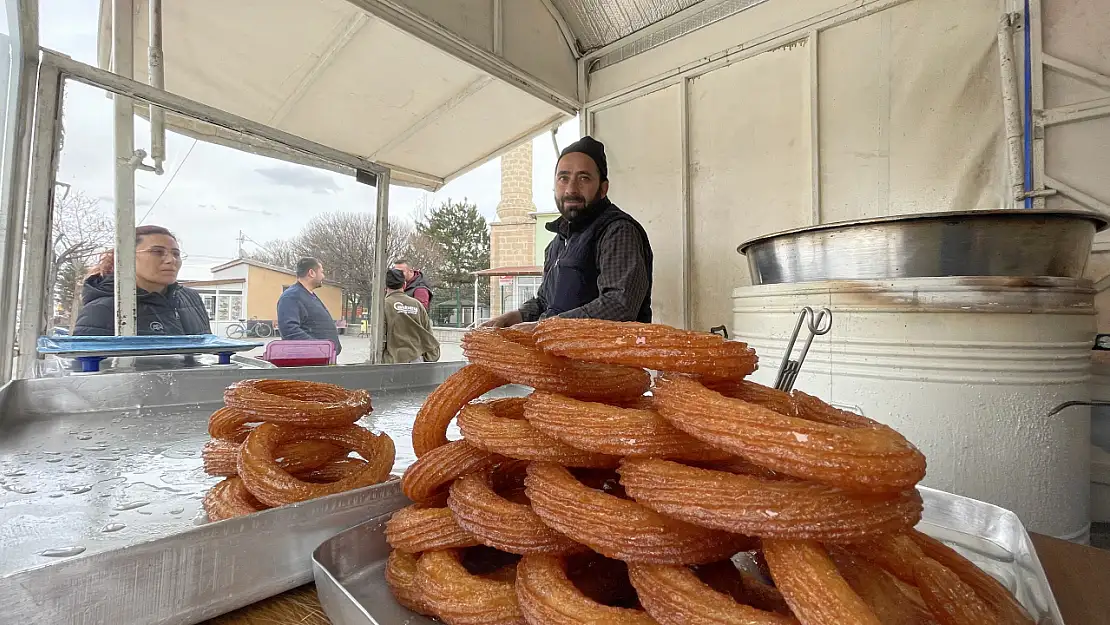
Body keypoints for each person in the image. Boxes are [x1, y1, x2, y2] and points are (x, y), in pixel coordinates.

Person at [483, 136, 653, 329]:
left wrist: (545, 328)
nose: (571, 189)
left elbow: (619, 306)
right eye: (563, 178)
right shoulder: (557, 243)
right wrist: (514, 316)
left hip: (603, 359)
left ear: (603, 188)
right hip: (558, 356)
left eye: (584, 178)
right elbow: (545, 302)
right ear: (555, 186)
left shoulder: (617, 231)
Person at [74, 226, 212, 336]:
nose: (171, 260)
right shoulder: (104, 309)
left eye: (176, 253)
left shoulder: (190, 298)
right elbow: (87, 366)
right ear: (127, 256)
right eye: (157, 252)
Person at [276, 257, 342, 354]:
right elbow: (289, 331)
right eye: (322, 272)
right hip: (309, 363)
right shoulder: (291, 297)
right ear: (311, 273)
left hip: (322, 360)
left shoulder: (308, 295)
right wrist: (319, 349)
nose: (323, 276)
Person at [382, 268, 440, 364]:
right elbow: (428, 334)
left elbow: (381, 338)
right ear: (404, 285)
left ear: (385, 287)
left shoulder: (383, 305)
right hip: (416, 361)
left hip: (392, 362)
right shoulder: (417, 305)